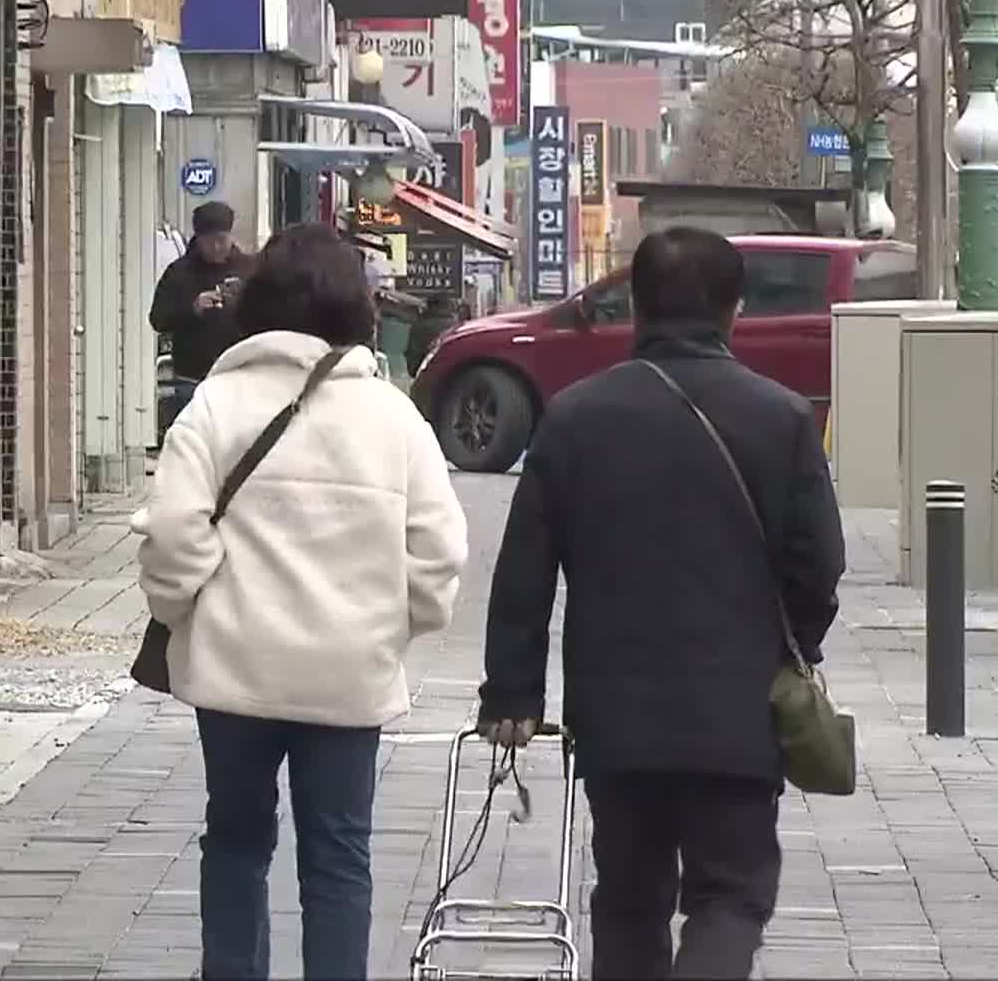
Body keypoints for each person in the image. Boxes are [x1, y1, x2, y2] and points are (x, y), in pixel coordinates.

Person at [475, 227, 845, 980]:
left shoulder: (574, 418)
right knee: (731, 897)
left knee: (629, 902)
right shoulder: (780, 419)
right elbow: (820, 566)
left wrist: (512, 690)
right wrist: (790, 644)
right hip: (738, 710)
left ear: (637, 305)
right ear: (734, 310)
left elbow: (524, 571)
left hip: (617, 716)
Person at [135, 222, 470, 980]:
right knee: (339, 857)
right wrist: (397, 623)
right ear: (358, 307)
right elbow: (441, 551)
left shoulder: (215, 406)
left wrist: (181, 609)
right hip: (349, 672)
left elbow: (173, 536)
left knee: (236, 840)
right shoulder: (393, 417)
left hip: (235, 667)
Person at [150, 201, 254, 383]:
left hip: (238, 373)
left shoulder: (248, 268)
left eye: (221, 240)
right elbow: (158, 318)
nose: (216, 248)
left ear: (231, 236)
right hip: (191, 376)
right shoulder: (179, 272)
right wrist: (193, 308)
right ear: (198, 239)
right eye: (208, 242)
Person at [405, 293, 461, 377]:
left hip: (426, 378)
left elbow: (413, 355)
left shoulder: (419, 326)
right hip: (454, 378)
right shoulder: (458, 327)